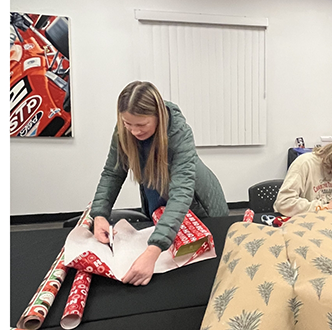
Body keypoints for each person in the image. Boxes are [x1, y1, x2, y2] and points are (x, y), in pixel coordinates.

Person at [90, 81, 228, 286]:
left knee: (200, 274)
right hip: (160, 199)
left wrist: (153, 249)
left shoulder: (179, 133)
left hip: (199, 205)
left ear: (158, 116)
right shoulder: (124, 130)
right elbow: (113, 173)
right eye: (128, 124)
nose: (134, 131)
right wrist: (100, 213)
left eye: (141, 125)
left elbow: (181, 193)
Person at [273, 136, 332, 216]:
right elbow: (284, 203)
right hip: (295, 221)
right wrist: (323, 207)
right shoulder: (305, 163)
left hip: (322, 221)